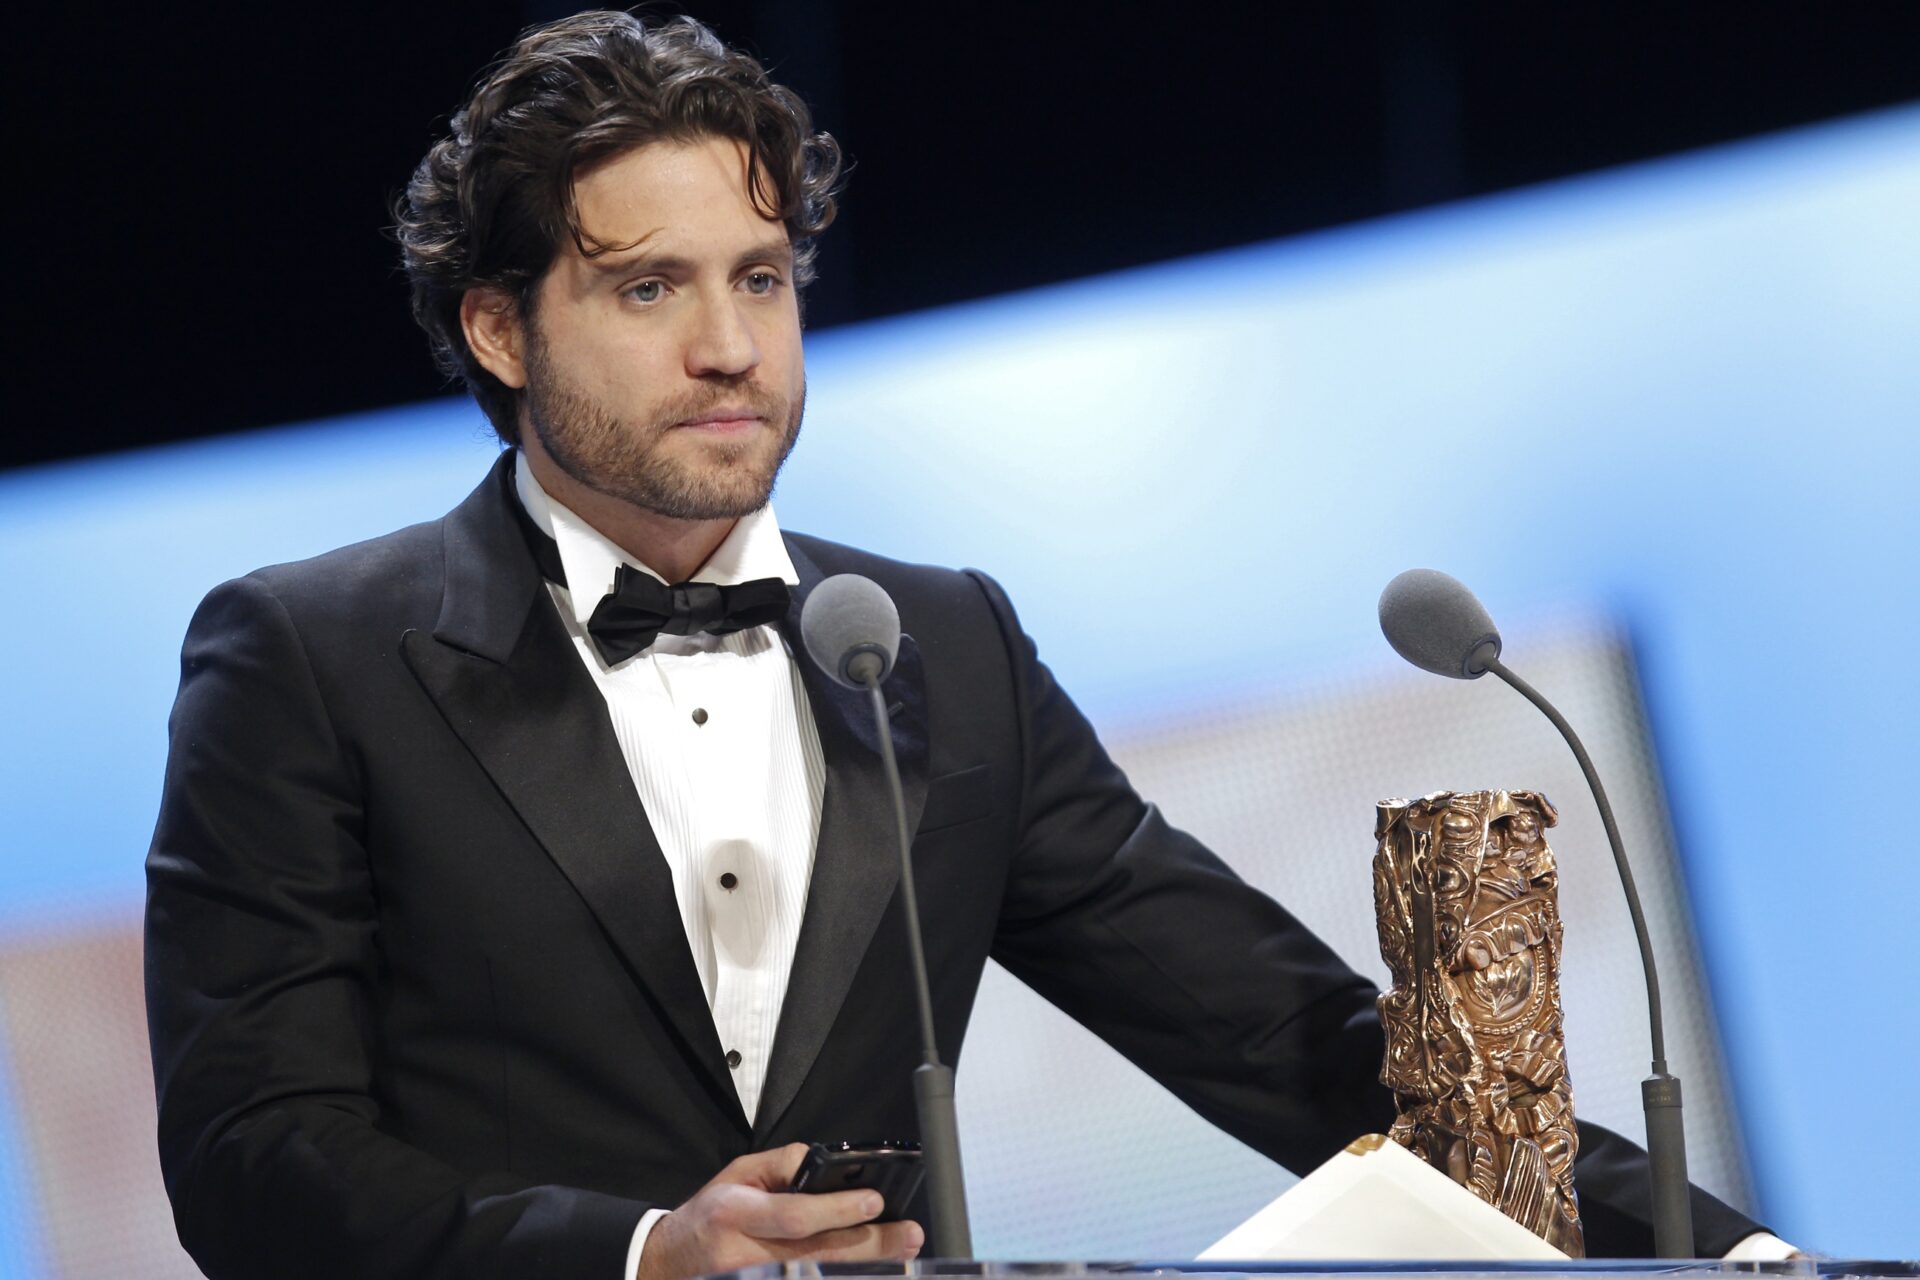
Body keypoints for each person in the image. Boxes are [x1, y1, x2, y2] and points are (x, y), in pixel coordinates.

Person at [144, 13, 1787, 1280]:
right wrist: (636, 1253)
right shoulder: (307, 656)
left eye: (764, 279)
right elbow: (253, 1150)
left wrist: (1717, 1252)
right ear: (501, 329)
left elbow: (1282, 1037)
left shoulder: (938, 647)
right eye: (649, 291)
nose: (731, 349)